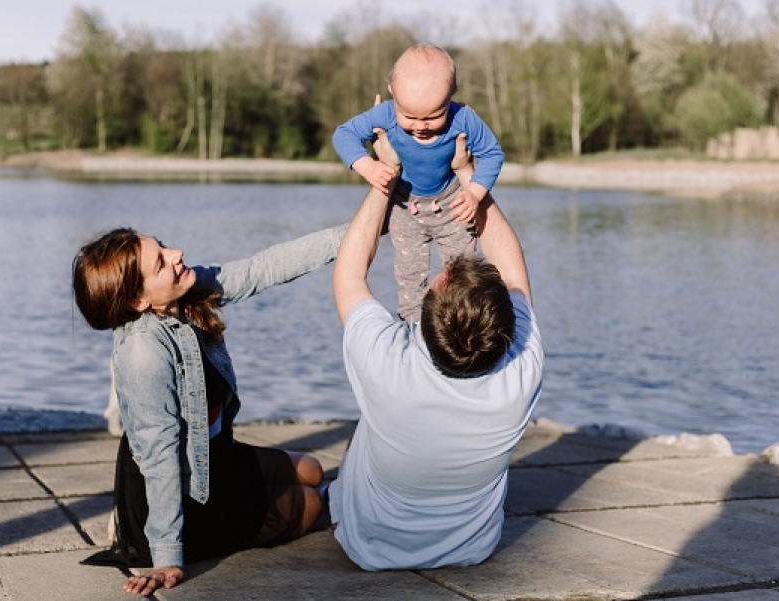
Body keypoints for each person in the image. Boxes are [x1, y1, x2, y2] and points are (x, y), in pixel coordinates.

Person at [72, 224, 345, 595]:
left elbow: (262, 268)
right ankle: (135, 526)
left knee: (311, 469)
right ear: (138, 301)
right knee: (312, 505)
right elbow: (161, 455)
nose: (177, 254)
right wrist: (167, 556)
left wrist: (362, 230)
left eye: (163, 246)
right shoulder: (143, 352)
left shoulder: (184, 290)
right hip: (187, 494)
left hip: (215, 458)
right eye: (160, 262)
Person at [328, 131, 543, 570]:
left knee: (368, 420)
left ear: (426, 306)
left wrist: (384, 179)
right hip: (471, 550)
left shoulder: (386, 363)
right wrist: (468, 175)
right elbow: (513, 271)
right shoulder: (522, 369)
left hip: (370, 548)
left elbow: (349, 273)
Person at [332, 43, 504, 323]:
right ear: (392, 91)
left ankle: (459, 323)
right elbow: (344, 135)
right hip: (405, 206)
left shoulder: (464, 118)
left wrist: (474, 193)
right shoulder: (385, 114)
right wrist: (368, 166)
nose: (420, 126)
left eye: (434, 117)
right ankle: (412, 325)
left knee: (462, 272)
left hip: (453, 206)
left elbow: (492, 153)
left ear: (452, 94)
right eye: (409, 117)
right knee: (410, 274)